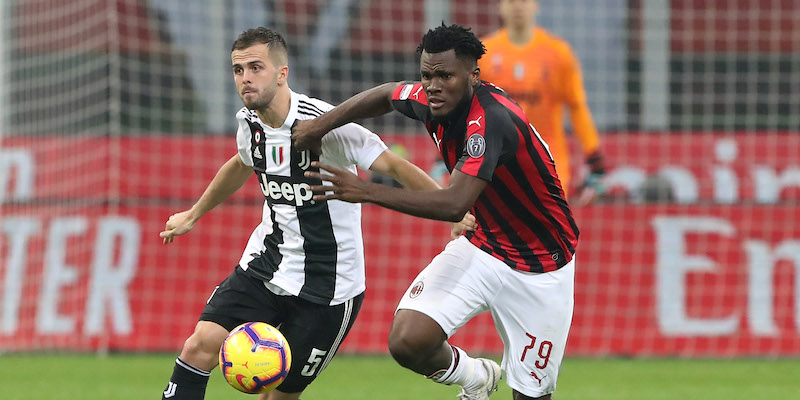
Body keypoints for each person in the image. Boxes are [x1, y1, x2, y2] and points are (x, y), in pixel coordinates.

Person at [158, 27, 460, 400]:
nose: (245, 78)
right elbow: (241, 163)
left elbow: (395, 167)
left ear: (282, 73)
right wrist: (194, 213)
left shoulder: (325, 124)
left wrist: (453, 212)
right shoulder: (249, 122)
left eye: (256, 67)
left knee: (278, 397)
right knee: (198, 347)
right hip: (266, 266)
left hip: (329, 287)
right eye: (238, 70)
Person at [293, 23, 578, 400]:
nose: (433, 85)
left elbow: (454, 204)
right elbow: (384, 95)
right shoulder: (428, 99)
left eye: (445, 75)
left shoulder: (490, 121)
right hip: (485, 246)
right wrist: (318, 126)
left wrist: (365, 191)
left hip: (542, 267)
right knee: (408, 339)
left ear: (473, 76)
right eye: (427, 75)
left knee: (530, 396)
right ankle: (476, 378)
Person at [478, 0, 605, 205]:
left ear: (535, 5)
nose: (518, 7)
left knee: (545, 230)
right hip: (497, 157)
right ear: (501, 6)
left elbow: (577, 106)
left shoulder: (558, 53)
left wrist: (594, 156)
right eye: (511, 1)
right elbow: (468, 107)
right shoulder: (484, 54)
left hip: (549, 158)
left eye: (524, 1)